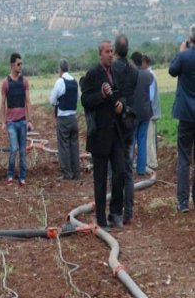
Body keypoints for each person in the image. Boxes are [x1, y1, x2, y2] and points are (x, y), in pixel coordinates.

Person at [80, 40, 125, 229]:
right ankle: (101, 219)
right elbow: (85, 100)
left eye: (112, 51)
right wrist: (101, 96)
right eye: (107, 51)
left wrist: (120, 105)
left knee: (120, 172)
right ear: (100, 54)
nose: (110, 54)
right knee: (100, 180)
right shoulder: (93, 74)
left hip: (115, 132)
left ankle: (115, 213)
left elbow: (120, 95)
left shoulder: (114, 73)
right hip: (99, 135)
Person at [111, 34, 138, 225]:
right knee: (128, 170)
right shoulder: (134, 71)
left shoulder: (112, 69)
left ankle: (116, 212)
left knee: (115, 170)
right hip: (130, 122)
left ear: (114, 50)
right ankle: (129, 212)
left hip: (116, 124)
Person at [168, 24, 195, 213]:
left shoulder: (184, 57)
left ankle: (183, 202)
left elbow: (172, 70)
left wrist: (181, 51)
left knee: (184, 159)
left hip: (186, 114)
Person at [0, 53, 33, 186]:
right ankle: (10, 174)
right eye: (19, 64)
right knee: (14, 149)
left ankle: (22, 177)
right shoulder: (5, 83)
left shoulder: (24, 81)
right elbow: (2, 104)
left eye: (21, 64)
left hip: (23, 121)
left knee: (23, 151)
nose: (21, 66)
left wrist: (30, 120)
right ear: (12, 65)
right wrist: (3, 122)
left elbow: (28, 101)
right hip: (11, 123)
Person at [49, 58, 80, 180]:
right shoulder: (74, 82)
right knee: (74, 145)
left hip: (63, 118)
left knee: (64, 146)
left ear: (60, 69)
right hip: (73, 117)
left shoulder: (60, 82)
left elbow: (52, 100)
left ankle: (67, 173)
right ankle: (76, 172)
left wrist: (57, 103)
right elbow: (78, 98)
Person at [130, 51, 153, 176]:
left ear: (133, 62)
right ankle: (141, 169)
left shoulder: (131, 74)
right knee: (142, 140)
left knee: (132, 141)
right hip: (146, 112)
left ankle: (129, 168)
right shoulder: (149, 75)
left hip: (133, 114)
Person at [142, 54, 161, 173]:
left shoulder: (149, 75)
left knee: (149, 139)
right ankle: (151, 161)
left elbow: (150, 96)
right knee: (151, 138)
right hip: (153, 112)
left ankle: (152, 163)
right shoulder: (151, 74)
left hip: (150, 112)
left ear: (145, 63)